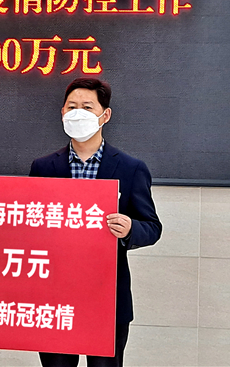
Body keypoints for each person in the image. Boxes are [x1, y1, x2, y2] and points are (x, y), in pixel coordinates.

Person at [29, 77, 162, 367]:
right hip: (55, 295)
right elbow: (31, 224)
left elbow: (152, 227)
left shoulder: (131, 168)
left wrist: (130, 229)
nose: (78, 113)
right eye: (72, 107)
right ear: (62, 113)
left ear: (105, 115)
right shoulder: (43, 167)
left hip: (107, 298)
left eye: (87, 107)